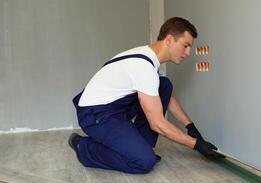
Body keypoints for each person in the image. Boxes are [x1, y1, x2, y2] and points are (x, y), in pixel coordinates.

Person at [69, 17, 224, 174]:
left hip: (114, 108)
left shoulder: (148, 58)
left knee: (164, 84)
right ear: (169, 40)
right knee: (144, 161)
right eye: (185, 46)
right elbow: (157, 124)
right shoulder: (144, 67)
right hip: (96, 114)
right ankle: (84, 148)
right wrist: (196, 144)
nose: (188, 53)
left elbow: (166, 97)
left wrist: (190, 127)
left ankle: (139, 145)